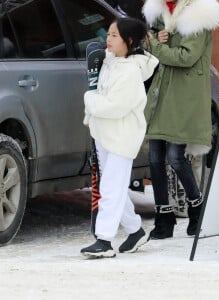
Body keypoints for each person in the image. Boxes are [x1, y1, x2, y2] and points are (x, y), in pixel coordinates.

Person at [142, 0, 219, 239]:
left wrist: (155, 45)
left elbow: (187, 56)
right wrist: (154, 37)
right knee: (154, 156)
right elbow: (152, 38)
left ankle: (197, 209)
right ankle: (163, 217)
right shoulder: (159, 11)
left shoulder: (200, 16)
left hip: (184, 94)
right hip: (161, 91)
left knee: (176, 157)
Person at [80, 18, 159, 258]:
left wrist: (89, 99)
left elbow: (114, 106)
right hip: (104, 132)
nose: (108, 39)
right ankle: (135, 230)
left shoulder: (130, 72)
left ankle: (104, 240)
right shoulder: (112, 62)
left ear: (130, 41)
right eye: (109, 34)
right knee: (112, 186)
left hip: (122, 136)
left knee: (111, 187)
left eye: (114, 35)